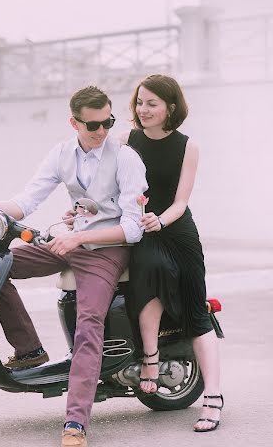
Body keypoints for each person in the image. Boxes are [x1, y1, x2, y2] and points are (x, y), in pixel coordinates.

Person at [0, 86, 147, 447]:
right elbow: (26, 201)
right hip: (67, 242)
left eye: (108, 121)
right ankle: (30, 349)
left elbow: (133, 227)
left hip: (106, 250)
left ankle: (76, 422)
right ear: (74, 122)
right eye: (93, 124)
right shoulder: (61, 154)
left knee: (89, 321)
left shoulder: (126, 158)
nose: (101, 131)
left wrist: (79, 238)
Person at [120, 74, 223, 433]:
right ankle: (150, 357)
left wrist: (159, 221)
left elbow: (181, 202)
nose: (143, 109)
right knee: (147, 275)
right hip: (142, 231)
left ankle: (212, 396)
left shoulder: (187, 146)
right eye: (139, 102)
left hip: (175, 231)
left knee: (198, 312)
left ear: (171, 108)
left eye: (152, 103)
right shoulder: (126, 141)